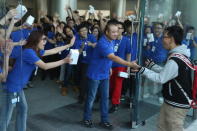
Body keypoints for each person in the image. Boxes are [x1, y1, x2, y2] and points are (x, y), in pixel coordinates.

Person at [0, 30, 74, 131]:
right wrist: (64, 61)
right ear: (36, 40)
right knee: (6, 116)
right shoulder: (29, 52)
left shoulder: (35, 50)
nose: (45, 42)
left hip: (18, 87)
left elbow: (54, 50)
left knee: (22, 109)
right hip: (12, 87)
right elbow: (45, 66)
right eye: (43, 40)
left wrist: (69, 44)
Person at [83, 20, 140, 130]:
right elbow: (113, 57)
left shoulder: (112, 41)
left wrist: (109, 68)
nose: (116, 34)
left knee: (105, 98)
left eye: (117, 31)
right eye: (113, 32)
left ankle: (104, 120)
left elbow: (108, 57)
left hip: (104, 74)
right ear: (106, 32)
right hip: (95, 74)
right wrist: (129, 64)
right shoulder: (102, 43)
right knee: (91, 98)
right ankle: (87, 118)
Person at [138, 25, 192, 131]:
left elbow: (161, 78)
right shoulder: (180, 55)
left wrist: (142, 70)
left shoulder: (175, 59)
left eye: (164, 37)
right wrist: (152, 66)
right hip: (171, 101)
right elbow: (168, 73)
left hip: (177, 104)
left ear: (171, 39)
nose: (162, 39)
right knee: (162, 127)